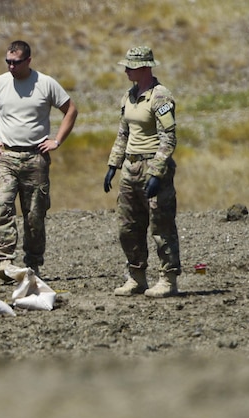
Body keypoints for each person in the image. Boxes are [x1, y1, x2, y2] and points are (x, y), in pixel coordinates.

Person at [0, 40, 78, 281]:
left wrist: (57, 140)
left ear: (28, 61)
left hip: (36, 157)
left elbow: (71, 110)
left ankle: (33, 265)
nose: (11, 66)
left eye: (16, 62)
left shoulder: (45, 83)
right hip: (6, 155)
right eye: (8, 62)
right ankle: (5, 261)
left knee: (34, 215)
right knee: (2, 204)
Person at [103, 47, 180, 298]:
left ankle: (168, 279)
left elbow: (168, 137)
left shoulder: (160, 97)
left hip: (151, 165)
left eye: (130, 66)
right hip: (130, 167)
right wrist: (113, 165)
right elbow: (123, 133)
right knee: (128, 226)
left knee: (160, 225)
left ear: (145, 67)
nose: (125, 70)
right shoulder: (129, 96)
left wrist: (157, 172)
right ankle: (136, 276)